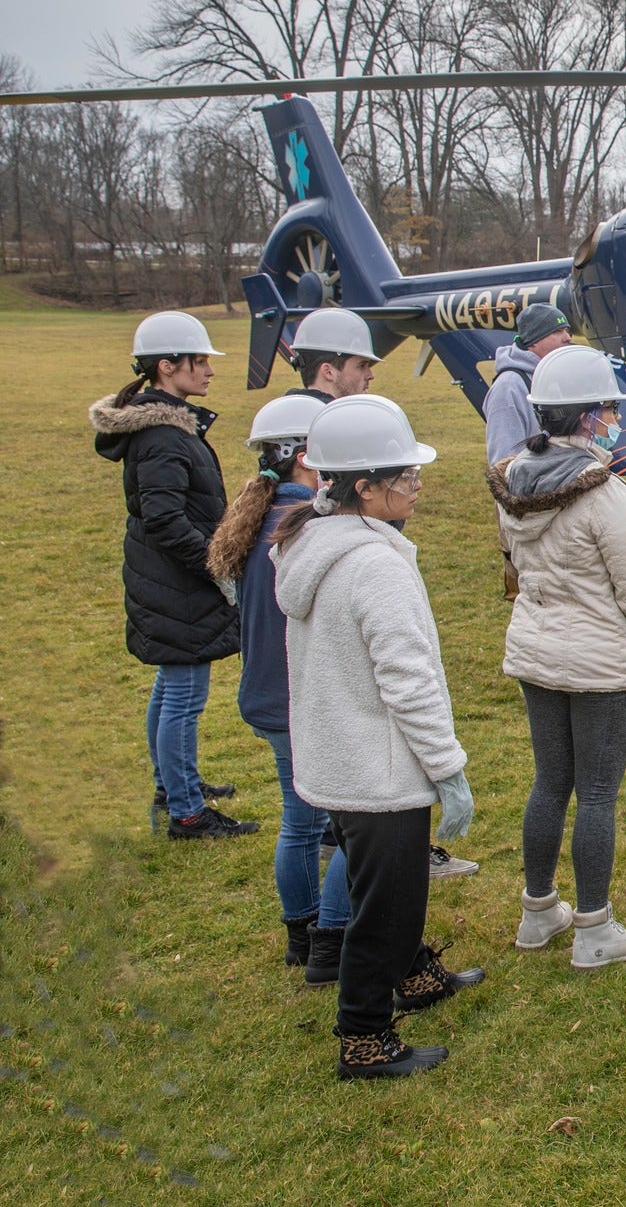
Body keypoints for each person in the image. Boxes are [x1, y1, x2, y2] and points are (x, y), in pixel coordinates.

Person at [271, 394, 484, 1079]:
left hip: (340, 758)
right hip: (379, 768)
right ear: (363, 487)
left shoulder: (314, 539)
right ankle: (364, 1037)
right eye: (405, 477)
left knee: (381, 887)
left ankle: (414, 975)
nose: (418, 487)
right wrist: (447, 767)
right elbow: (408, 680)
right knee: (385, 905)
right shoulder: (376, 564)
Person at [488, 345, 626, 971]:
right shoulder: (607, 496)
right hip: (597, 660)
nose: (616, 418)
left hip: (537, 647)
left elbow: (515, 564)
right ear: (590, 417)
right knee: (596, 794)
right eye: (611, 409)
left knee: (550, 781)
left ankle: (537, 912)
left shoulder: (512, 481)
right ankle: (594, 928)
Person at [89, 310, 257, 838]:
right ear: (167, 366)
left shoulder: (169, 422)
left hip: (169, 579)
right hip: (177, 584)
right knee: (184, 695)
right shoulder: (163, 434)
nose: (209, 370)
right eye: (199, 361)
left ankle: (174, 783)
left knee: (171, 687)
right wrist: (217, 565)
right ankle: (186, 812)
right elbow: (164, 519)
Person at [208, 396, 353, 974]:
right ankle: (332, 939)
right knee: (350, 825)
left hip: (266, 697)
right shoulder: (309, 530)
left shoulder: (250, 522)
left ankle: (301, 933)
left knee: (300, 819)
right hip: (307, 698)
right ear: (308, 462)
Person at [485, 302, 575, 602]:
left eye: (567, 330)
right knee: (531, 592)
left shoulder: (551, 377)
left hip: (554, 497)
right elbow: (504, 462)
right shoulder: (510, 386)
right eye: (558, 331)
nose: (568, 337)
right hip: (528, 504)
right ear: (535, 340)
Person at [288, 307, 380, 402]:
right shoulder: (343, 416)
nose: (370, 375)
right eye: (361, 366)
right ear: (328, 372)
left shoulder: (286, 410)